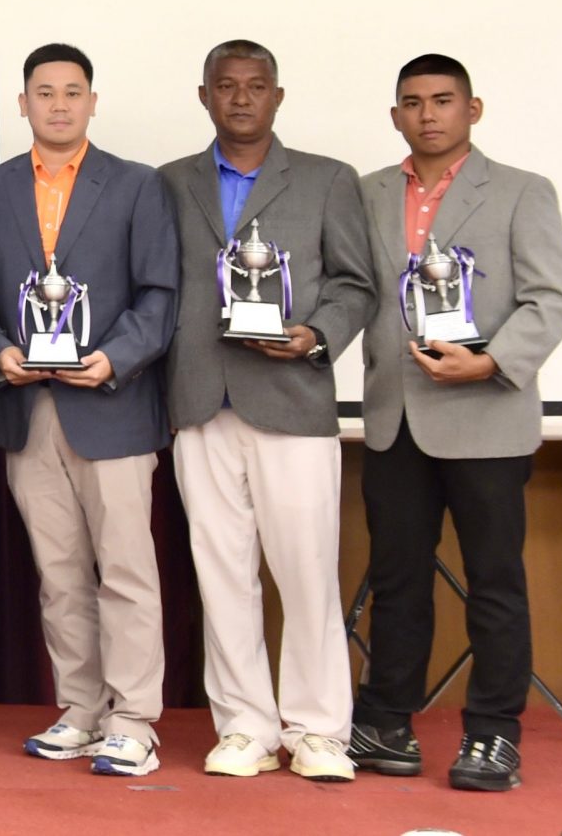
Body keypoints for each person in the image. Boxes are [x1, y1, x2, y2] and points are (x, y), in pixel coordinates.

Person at [353, 54, 562, 794]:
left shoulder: (521, 191)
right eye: (413, 102)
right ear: (396, 115)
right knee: (397, 579)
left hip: (487, 416)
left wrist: (490, 362)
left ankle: (493, 732)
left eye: (443, 100)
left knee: (495, 582)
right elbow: (355, 291)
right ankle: (386, 721)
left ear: (472, 109)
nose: (429, 114)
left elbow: (550, 298)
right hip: (395, 419)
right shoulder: (367, 192)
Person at [0, 42, 177, 777]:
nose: (58, 104)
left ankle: (134, 718)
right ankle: (81, 709)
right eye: (44, 92)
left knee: (126, 570)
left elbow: (159, 293)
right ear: (22, 103)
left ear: (92, 102)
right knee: (59, 575)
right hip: (28, 406)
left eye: (72, 91)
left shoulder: (137, 184)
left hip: (111, 402)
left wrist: (113, 357)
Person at [158, 40, 377, 782]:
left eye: (256, 86)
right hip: (200, 401)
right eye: (226, 86)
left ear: (277, 96)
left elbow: (354, 284)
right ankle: (245, 727)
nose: (242, 98)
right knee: (222, 575)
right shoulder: (168, 183)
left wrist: (316, 334)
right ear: (205, 96)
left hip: (292, 401)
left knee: (307, 572)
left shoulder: (326, 179)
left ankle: (319, 731)